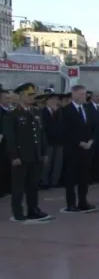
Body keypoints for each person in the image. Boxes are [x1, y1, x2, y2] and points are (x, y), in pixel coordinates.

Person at [3, 83, 53, 223]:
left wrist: (44, 152)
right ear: (21, 95)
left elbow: (41, 134)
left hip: (35, 155)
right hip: (21, 156)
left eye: (33, 95)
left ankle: (33, 209)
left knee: (33, 184)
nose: (32, 98)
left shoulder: (36, 112)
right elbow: (10, 138)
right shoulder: (12, 114)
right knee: (18, 186)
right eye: (29, 95)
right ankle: (18, 211)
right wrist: (14, 156)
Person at [61, 85, 99, 213]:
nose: (84, 97)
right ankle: (71, 203)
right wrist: (79, 142)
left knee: (84, 177)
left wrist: (91, 140)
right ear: (74, 94)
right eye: (81, 94)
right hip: (72, 150)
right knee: (71, 178)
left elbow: (95, 126)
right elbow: (65, 131)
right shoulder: (65, 110)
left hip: (87, 148)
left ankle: (83, 201)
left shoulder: (88, 109)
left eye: (85, 94)